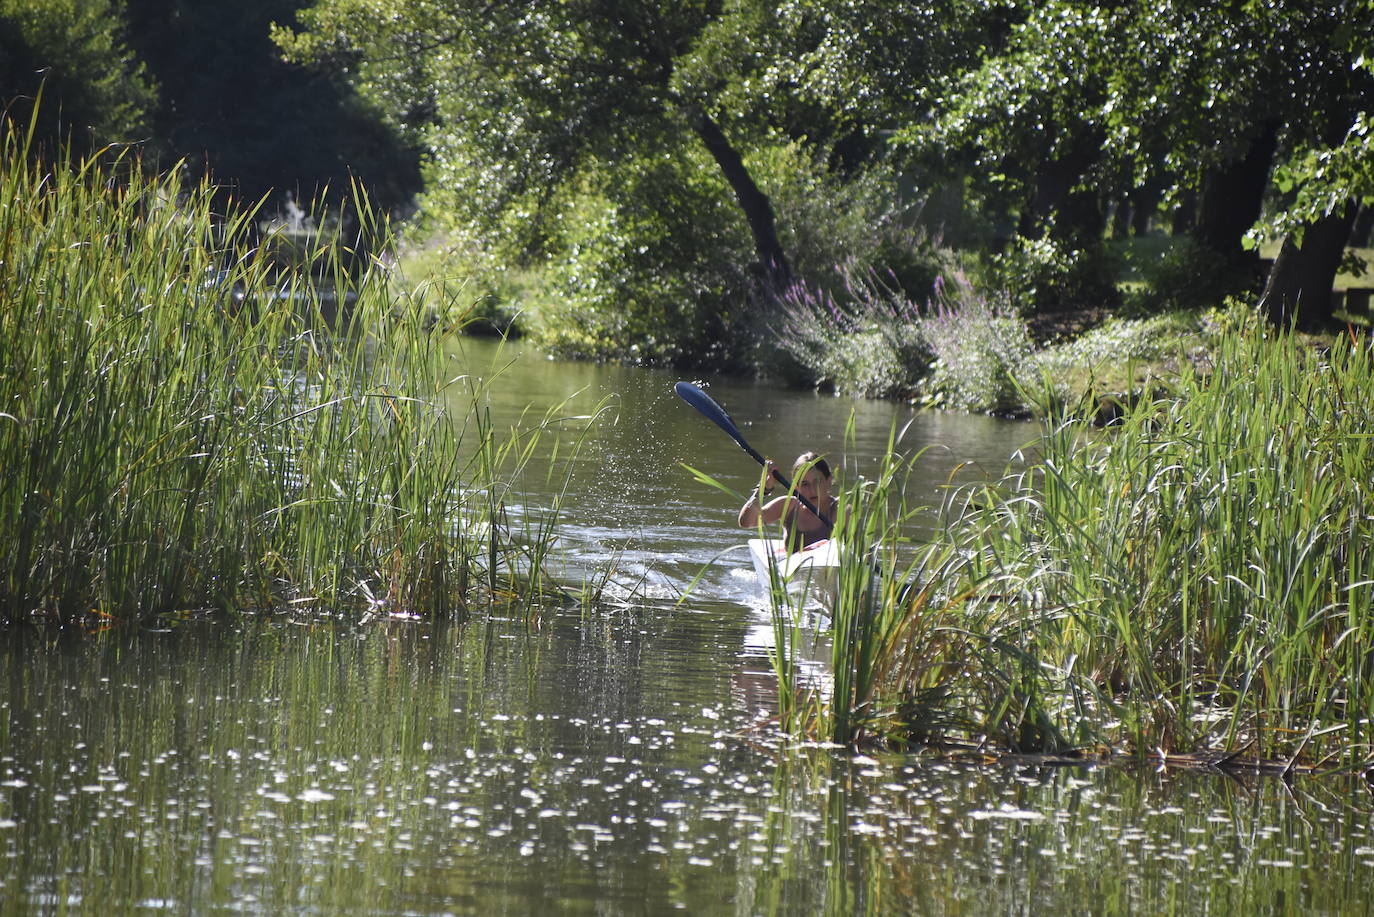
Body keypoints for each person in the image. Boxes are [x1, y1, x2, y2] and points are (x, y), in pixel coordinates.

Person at [737, 451, 838, 553]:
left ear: (829, 481)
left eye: (817, 482)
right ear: (796, 487)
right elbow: (746, 522)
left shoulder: (841, 511)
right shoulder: (788, 505)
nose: (812, 490)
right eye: (805, 484)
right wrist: (764, 488)